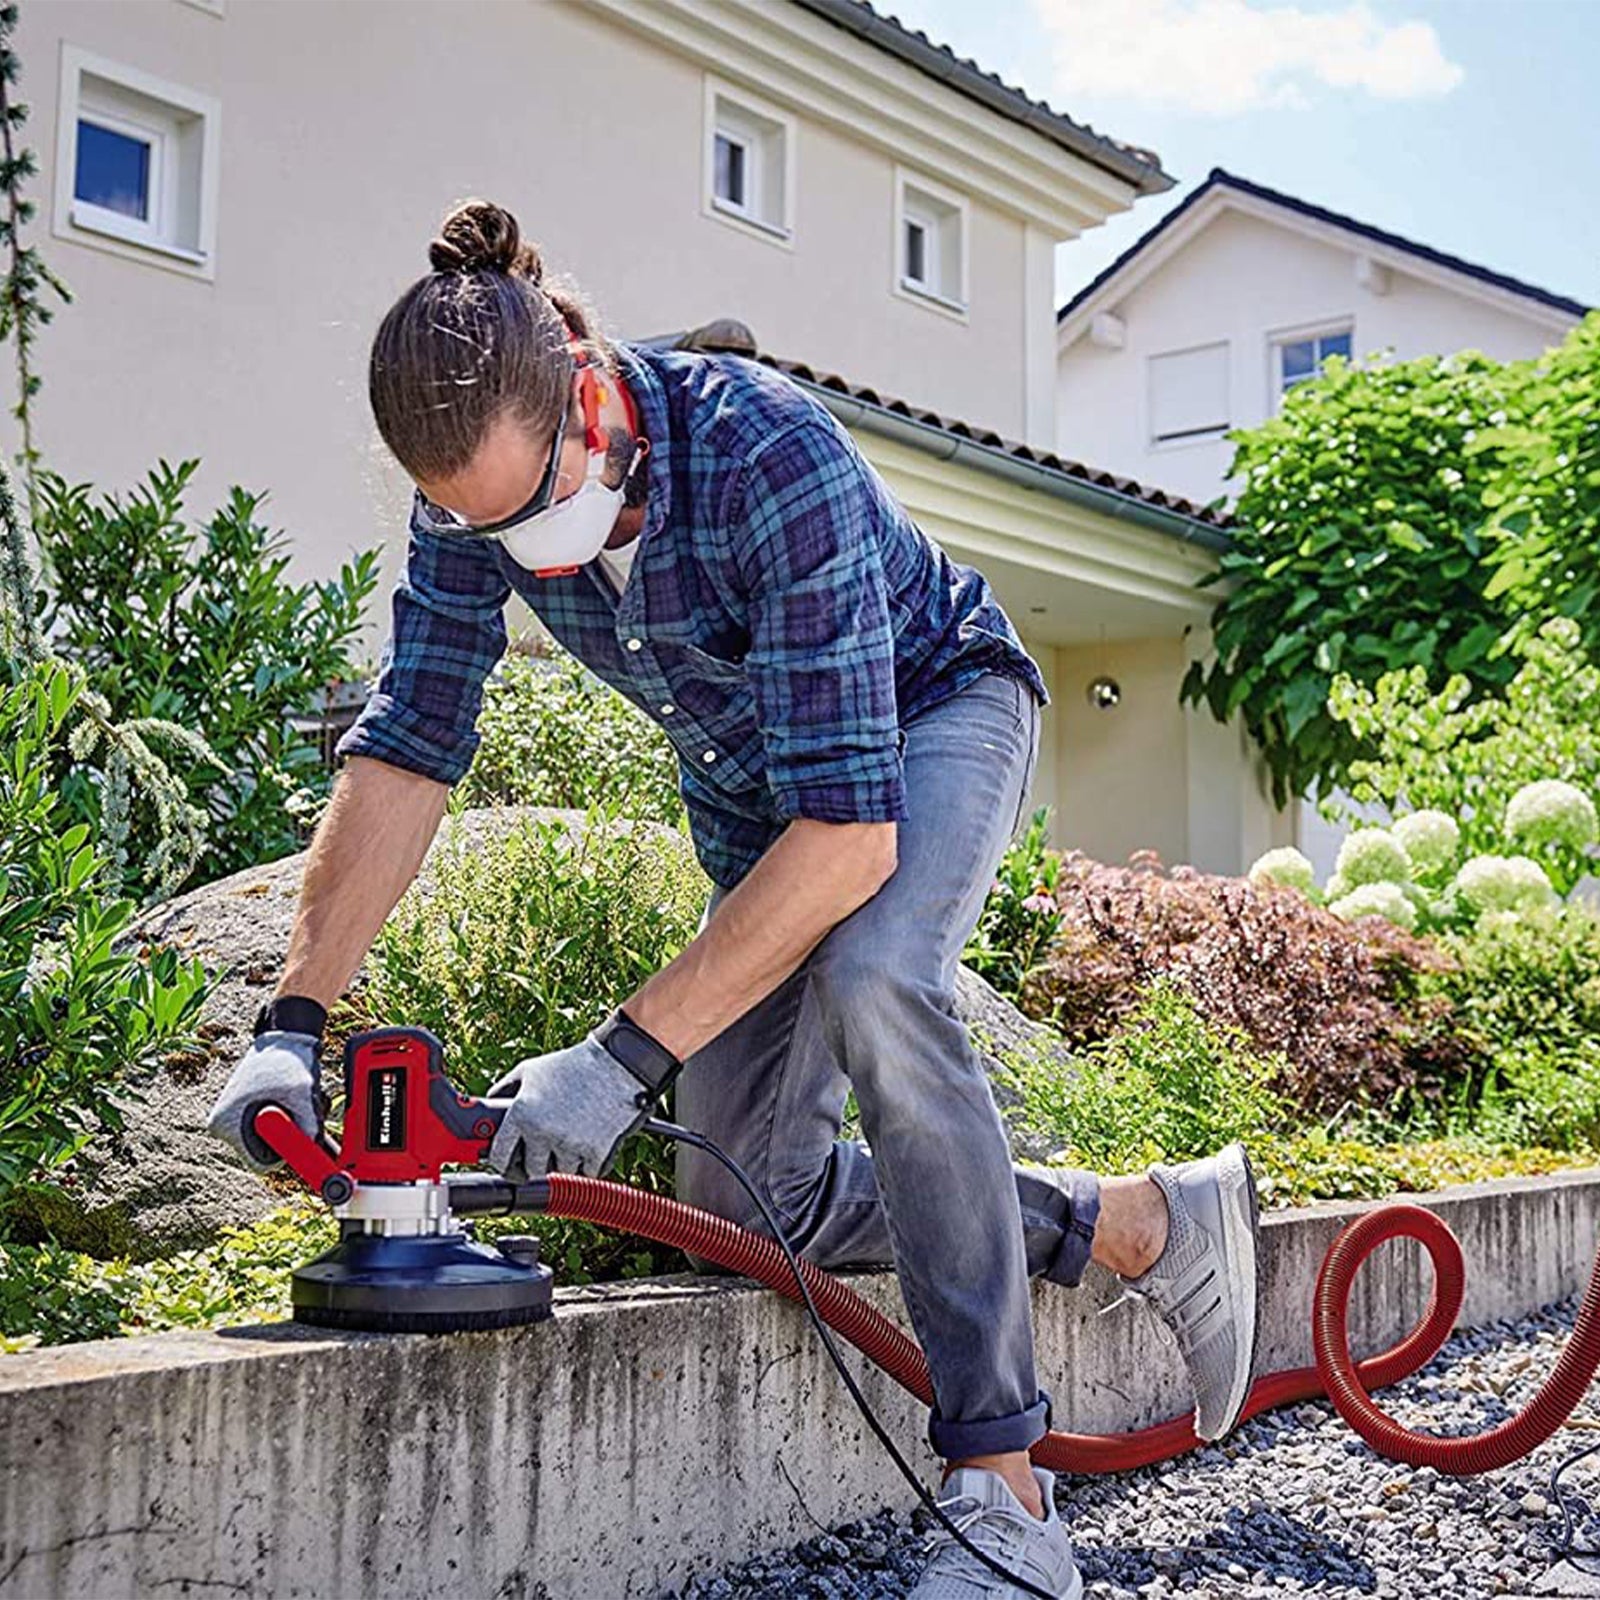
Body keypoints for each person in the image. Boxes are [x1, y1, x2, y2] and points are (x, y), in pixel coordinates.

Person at [205, 198, 1261, 1599]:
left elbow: (849, 839)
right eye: (477, 526)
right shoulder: (469, 507)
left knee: (881, 976)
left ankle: (1006, 1497)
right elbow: (407, 749)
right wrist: (293, 1018)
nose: (514, 548)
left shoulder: (766, 450)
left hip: (933, 712)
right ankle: (1138, 1226)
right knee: (753, 1197)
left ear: (586, 386)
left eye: (527, 509)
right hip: (762, 795)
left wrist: (618, 1059)